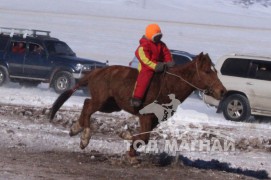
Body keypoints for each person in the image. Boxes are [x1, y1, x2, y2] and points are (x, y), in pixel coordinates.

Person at [130, 23, 175, 107]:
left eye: (159, 36)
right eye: (156, 36)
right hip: (148, 66)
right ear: (151, 35)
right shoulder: (144, 45)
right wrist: (155, 66)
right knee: (145, 78)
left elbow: (166, 53)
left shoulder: (161, 45)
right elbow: (144, 59)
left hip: (160, 65)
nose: (158, 38)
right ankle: (137, 98)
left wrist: (169, 61)